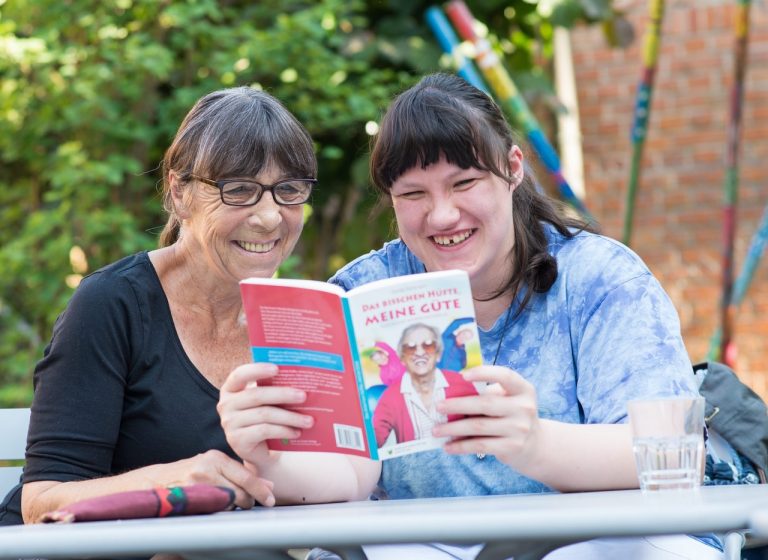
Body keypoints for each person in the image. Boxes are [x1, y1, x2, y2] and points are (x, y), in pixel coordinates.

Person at [218, 73, 721, 559]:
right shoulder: (358, 295)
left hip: (586, 543)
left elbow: (671, 451)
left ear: (513, 168)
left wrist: (536, 443)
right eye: (413, 195)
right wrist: (267, 454)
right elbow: (348, 480)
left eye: (465, 183)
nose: (441, 216)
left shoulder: (600, 278)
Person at [0, 86, 315, 526]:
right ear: (180, 192)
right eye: (239, 190)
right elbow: (41, 502)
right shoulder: (111, 305)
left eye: (290, 189)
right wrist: (172, 480)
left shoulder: (304, 321)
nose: (269, 216)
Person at [373, 323, 478, 447]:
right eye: (410, 348)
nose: (419, 352)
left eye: (428, 345)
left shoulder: (461, 382)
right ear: (402, 359)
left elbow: (483, 423)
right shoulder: (390, 396)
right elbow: (375, 439)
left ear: (438, 355)